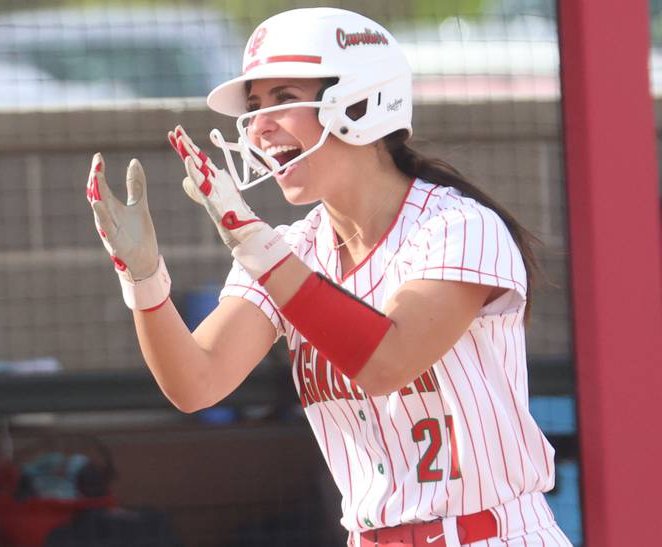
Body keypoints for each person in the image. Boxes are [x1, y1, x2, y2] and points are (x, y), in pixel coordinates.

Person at [86, 7, 572, 547]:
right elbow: (196, 383)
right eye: (253, 108)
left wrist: (257, 246)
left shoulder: (458, 226)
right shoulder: (293, 248)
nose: (258, 126)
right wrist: (146, 281)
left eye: (283, 99)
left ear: (361, 102)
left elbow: (387, 361)